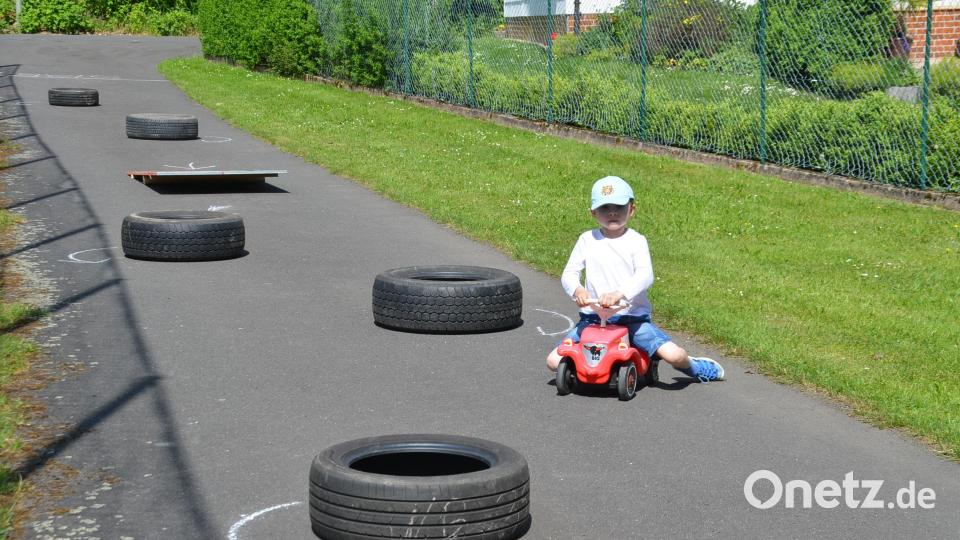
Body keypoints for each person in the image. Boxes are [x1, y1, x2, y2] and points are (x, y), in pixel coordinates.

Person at [546, 176, 725, 382]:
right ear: (594, 213)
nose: (612, 212)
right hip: (593, 319)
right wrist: (578, 291)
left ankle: (696, 368)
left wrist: (618, 294)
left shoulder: (636, 241)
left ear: (631, 209)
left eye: (619, 207)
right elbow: (569, 273)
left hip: (632, 319)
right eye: (605, 208)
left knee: (675, 355)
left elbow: (644, 275)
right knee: (553, 361)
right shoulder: (587, 240)